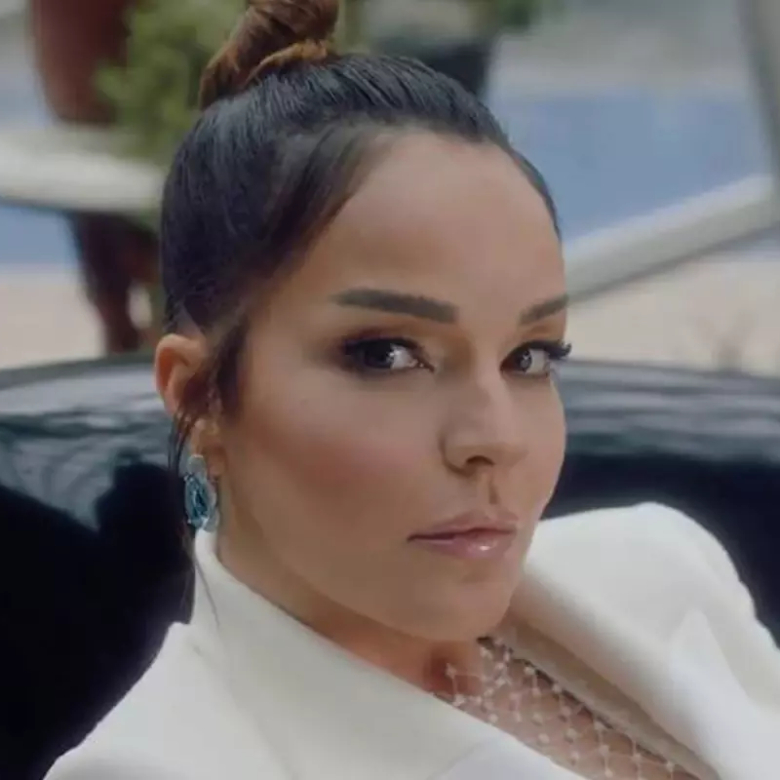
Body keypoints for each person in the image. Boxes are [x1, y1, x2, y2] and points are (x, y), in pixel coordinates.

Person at [46, 1, 780, 778]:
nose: (495, 438)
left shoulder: (663, 566)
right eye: (387, 355)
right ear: (201, 397)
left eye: (529, 356)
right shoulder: (161, 766)